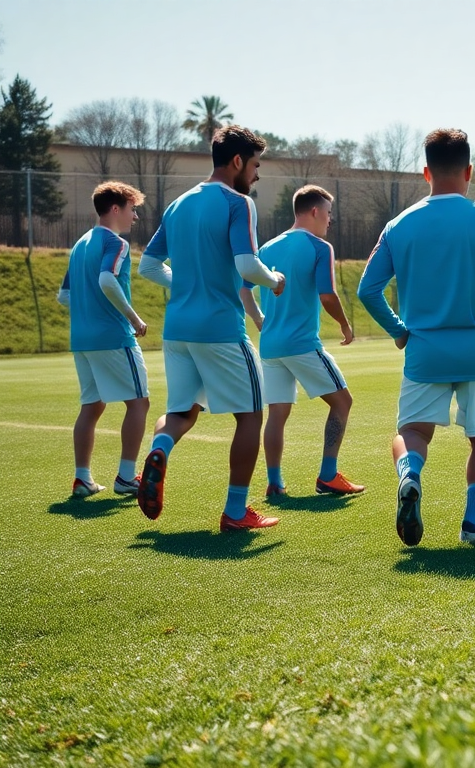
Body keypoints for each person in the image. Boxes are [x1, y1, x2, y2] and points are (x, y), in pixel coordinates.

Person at [358, 128, 475, 547]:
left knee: (413, 433)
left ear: (426, 172)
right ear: (469, 171)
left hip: (425, 352)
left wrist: (399, 331)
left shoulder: (398, 225)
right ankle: (473, 526)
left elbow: (367, 290)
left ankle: (410, 477)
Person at [135, 126, 287, 532]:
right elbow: (247, 266)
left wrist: (186, 282)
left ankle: (160, 447)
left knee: (181, 411)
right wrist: (274, 280)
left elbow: (147, 266)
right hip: (220, 329)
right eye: (255, 165)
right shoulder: (239, 203)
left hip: (177, 331)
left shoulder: (178, 205)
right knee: (251, 415)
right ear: (237, 161)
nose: (256, 176)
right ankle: (236, 512)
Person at [240, 184, 363, 500]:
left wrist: (258, 320)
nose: (330, 220)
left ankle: (275, 482)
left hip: (270, 346)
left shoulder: (266, 249)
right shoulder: (320, 247)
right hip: (302, 344)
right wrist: (345, 325)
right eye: (329, 213)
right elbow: (327, 295)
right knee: (343, 402)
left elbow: (243, 290)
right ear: (315, 212)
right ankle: (327, 476)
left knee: (277, 415)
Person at [56, 181, 151, 497]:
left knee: (91, 406)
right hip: (113, 337)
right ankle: (126, 477)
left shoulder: (79, 244)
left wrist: (88, 314)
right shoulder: (117, 244)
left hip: (82, 340)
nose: (135, 217)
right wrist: (133, 317)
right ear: (116, 208)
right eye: (132, 209)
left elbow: (64, 296)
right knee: (139, 402)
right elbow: (107, 279)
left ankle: (82, 478)